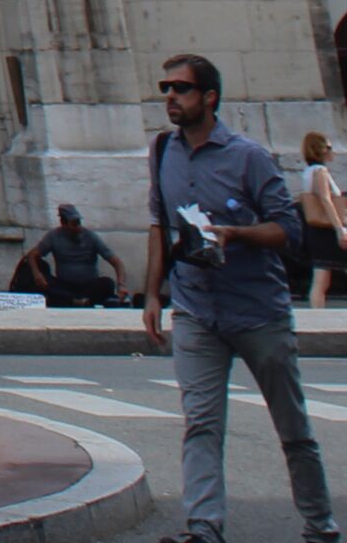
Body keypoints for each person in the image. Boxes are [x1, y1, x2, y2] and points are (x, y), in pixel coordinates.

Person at [142, 53, 341, 543]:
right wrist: (152, 295)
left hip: (257, 310)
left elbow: (289, 230)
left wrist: (236, 234)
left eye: (181, 88)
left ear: (209, 97)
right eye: (166, 88)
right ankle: (204, 529)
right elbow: (159, 225)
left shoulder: (249, 157)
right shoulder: (163, 150)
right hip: (195, 309)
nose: (170, 97)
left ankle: (320, 525)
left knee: (292, 427)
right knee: (201, 425)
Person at [11, 203, 126, 306]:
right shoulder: (54, 236)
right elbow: (32, 256)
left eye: (79, 223)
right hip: (64, 286)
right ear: (64, 224)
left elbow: (117, 262)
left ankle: (79, 301)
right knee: (46, 285)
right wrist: (37, 275)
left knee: (107, 283)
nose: (78, 228)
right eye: (74, 224)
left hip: (89, 285)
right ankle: (75, 302)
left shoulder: (90, 236)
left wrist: (121, 285)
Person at [303, 135, 346, 307]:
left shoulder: (308, 172)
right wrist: (340, 228)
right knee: (321, 279)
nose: (332, 151)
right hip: (328, 230)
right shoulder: (321, 171)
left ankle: (317, 315)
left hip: (317, 230)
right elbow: (326, 199)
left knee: (321, 277)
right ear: (319, 150)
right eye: (328, 147)